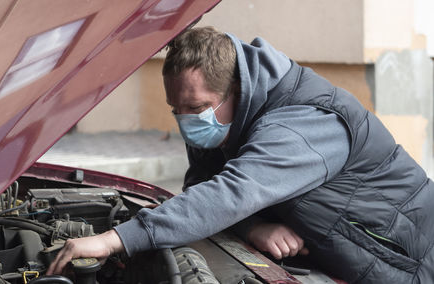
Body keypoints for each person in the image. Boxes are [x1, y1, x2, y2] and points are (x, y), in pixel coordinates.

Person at [47, 27, 434, 283]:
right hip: (344, 255)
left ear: (238, 89)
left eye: (196, 108)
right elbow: (202, 184)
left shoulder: (304, 125)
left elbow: (229, 194)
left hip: (409, 259)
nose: (185, 122)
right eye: (175, 109)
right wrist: (253, 228)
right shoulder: (220, 119)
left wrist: (115, 239)